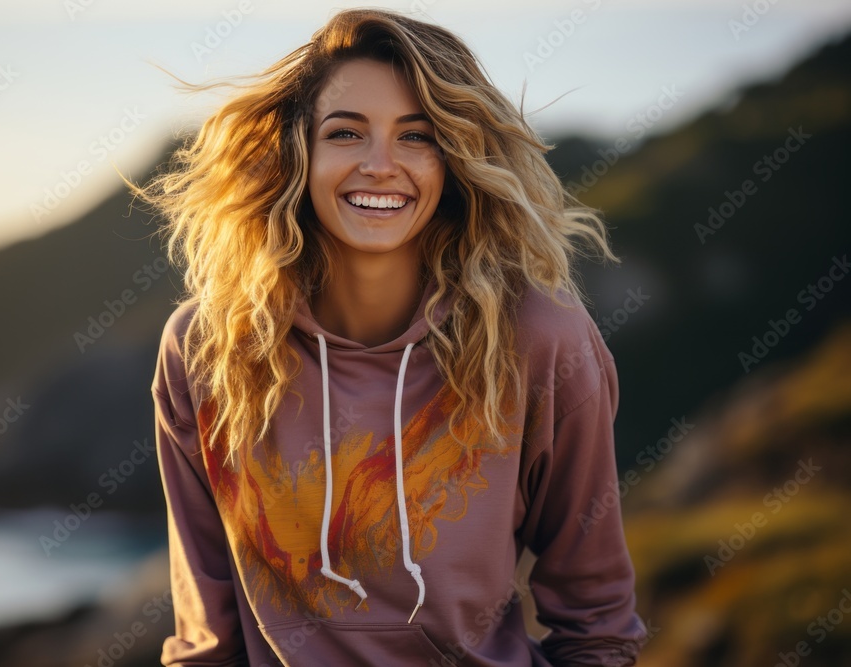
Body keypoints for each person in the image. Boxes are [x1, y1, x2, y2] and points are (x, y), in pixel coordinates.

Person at [136, 7, 646, 666]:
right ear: (301, 152)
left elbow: (597, 625)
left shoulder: (539, 340)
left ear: (456, 158)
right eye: (347, 133)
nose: (381, 165)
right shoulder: (209, 349)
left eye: (418, 136)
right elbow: (207, 639)